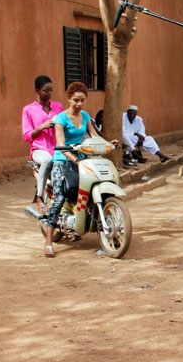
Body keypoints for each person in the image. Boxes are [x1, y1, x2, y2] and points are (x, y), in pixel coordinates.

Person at [42, 82, 118, 257]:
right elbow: (61, 144)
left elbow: (94, 135)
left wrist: (108, 144)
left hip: (82, 160)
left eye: (82, 100)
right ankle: (48, 240)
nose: (79, 104)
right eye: (76, 100)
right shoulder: (60, 118)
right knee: (60, 197)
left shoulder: (85, 116)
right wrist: (74, 159)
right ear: (69, 98)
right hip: (63, 161)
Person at [21, 75, 64, 212]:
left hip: (57, 147)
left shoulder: (58, 107)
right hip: (39, 148)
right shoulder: (28, 110)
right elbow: (26, 136)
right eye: (46, 91)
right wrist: (42, 126)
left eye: (51, 90)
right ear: (37, 90)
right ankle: (40, 197)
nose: (49, 94)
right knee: (47, 160)